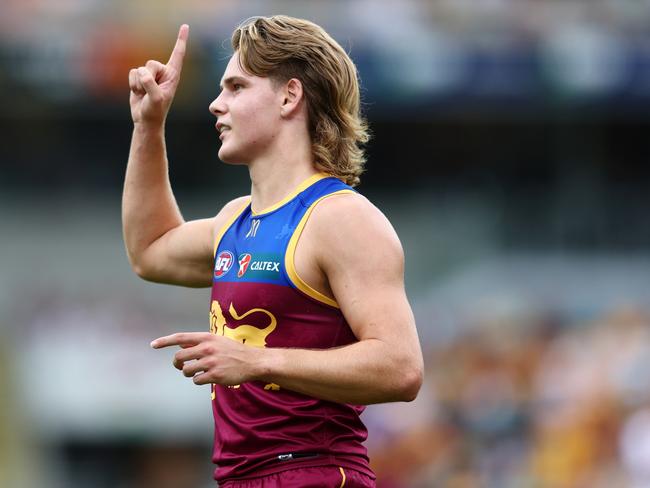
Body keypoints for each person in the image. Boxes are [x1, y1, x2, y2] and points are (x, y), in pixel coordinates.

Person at [123, 15, 424, 487]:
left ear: (290, 95)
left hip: (315, 474)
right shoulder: (233, 220)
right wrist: (148, 125)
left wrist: (257, 360)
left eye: (236, 87)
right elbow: (150, 251)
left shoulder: (339, 218)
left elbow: (401, 368)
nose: (215, 104)